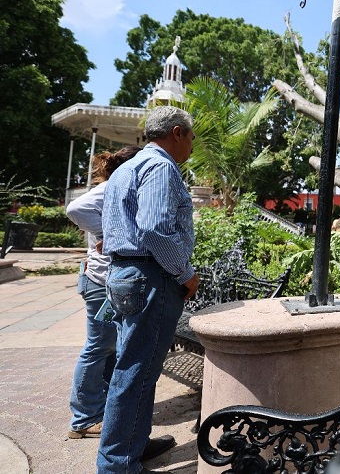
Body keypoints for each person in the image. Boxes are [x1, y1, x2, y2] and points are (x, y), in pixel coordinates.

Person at [97, 106, 200, 474]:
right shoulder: (160, 167)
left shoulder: (128, 167)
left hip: (128, 274)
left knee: (133, 366)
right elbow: (154, 228)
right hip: (150, 277)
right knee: (136, 371)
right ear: (176, 132)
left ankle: (132, 446)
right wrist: (185, 273)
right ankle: (118, 464)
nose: (192, 144)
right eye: (190, 136)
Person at [66, 146, 141, 439]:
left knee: (108, 348)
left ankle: (101, 409)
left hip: (104, 280)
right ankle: (84, 418)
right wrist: (106, 235)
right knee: (98, 348)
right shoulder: (113, 186)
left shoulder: (119, 187)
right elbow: (75, 209)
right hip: (100, 281)